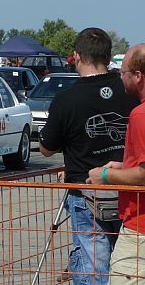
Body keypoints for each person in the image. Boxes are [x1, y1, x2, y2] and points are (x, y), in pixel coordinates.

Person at [39, 28, 139, 285]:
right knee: (129, 265)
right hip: (128, 189)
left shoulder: (66, 99)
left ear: (76, 56)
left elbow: (46, 148)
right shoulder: (130, 91)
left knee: (93, 267)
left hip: (85, 192)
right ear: (108, 57)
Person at [87, 44, 145, 283]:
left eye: (123, 72)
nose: (120, 77)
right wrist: (124, 166)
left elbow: (143, 176)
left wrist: (104, 176)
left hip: (139, 230)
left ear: (138, 76)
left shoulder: (140, 115)